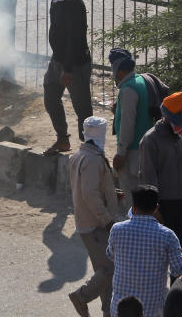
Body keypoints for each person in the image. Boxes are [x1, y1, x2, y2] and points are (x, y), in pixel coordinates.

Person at [68, 116, 121, 317]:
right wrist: (107, 220)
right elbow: (89, 193)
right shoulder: (91, 160)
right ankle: (81, 296)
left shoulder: (80, 155)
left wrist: (113, 194)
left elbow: (89, 189)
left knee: (104, 270)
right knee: (109, 269)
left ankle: (108, 311)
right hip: (95, 224)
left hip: (88, 221)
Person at [108, 185, 182, 317]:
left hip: (119, 310)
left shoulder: (117, 229)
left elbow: (110, 254)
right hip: (153, 310)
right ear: (156, 208)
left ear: (133, 208)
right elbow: (178, 270)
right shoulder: (168, 235)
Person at [41, 0, 93, 156]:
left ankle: (90, 147)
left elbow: (76, 39)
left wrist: (68, 69)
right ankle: (62, 139)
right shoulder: (56, 1)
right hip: (57, 61)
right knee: (50, 96)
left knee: (82, 107)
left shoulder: (74, 4)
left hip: (75, 65)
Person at [139, 91, 182, 250]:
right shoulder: (150, 140)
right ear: (170, 114)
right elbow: (148, 176)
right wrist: (154, 209)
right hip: (162, 205)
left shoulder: (178, 135)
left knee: (179, 250)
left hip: (180, 201)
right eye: (181, 114)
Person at [108, 49, 153, 200]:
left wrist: (121, 153)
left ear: (118, 70)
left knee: (133, 199)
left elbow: (128, 122)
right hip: (143, 149)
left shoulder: (128, 90)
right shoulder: (140, 80)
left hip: (132, 153)